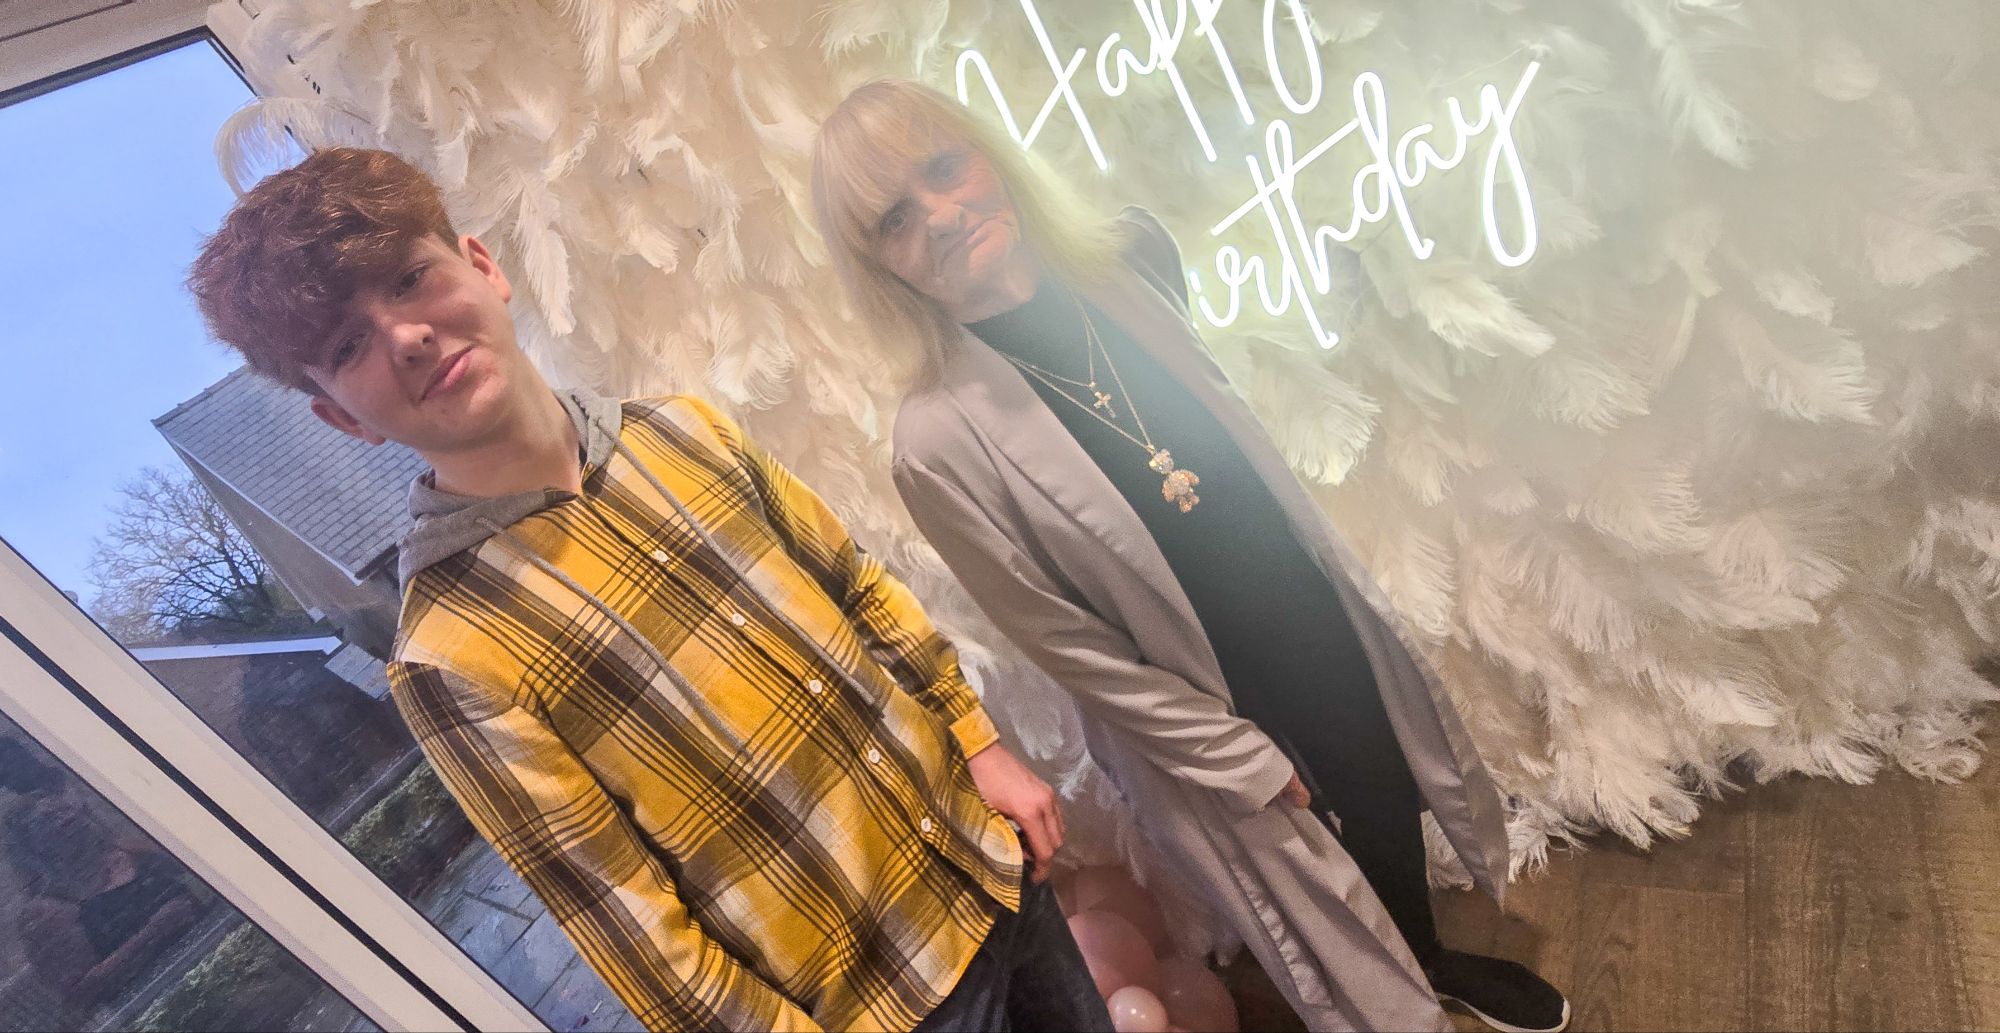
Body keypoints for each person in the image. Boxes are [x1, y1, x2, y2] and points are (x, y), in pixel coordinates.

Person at [187, 147, 1112, 1033]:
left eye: (408, 278)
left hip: (983, 862)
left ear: (481, 265)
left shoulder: (685, 430)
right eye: (350, 344)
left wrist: (979, 740)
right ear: (342, 416)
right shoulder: (449, 656)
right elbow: (638, 931)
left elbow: (855, 583)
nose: (409, 333)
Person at [812, 80, 1571, 1033]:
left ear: (988, 155)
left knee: (1381, 780)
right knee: (1304, 867)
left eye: (943, 167)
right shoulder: (935, 442)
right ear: (880, 265)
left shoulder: (1129, 262)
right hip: (1205, 685)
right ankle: (1393, 1003)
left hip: (1301, 600)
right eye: (894, 217)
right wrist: (1226, 751)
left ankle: (1431, 955)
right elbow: (1067, 644)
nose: (942, 214)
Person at [0, 746, 201, 1013]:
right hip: (156, 1008)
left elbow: (198, 873)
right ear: (36, 849)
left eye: (64, 810)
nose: (68, 818)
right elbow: (77, 998)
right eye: (50, 821)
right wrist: (152, 932)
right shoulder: (45, 911)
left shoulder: (130, 849)